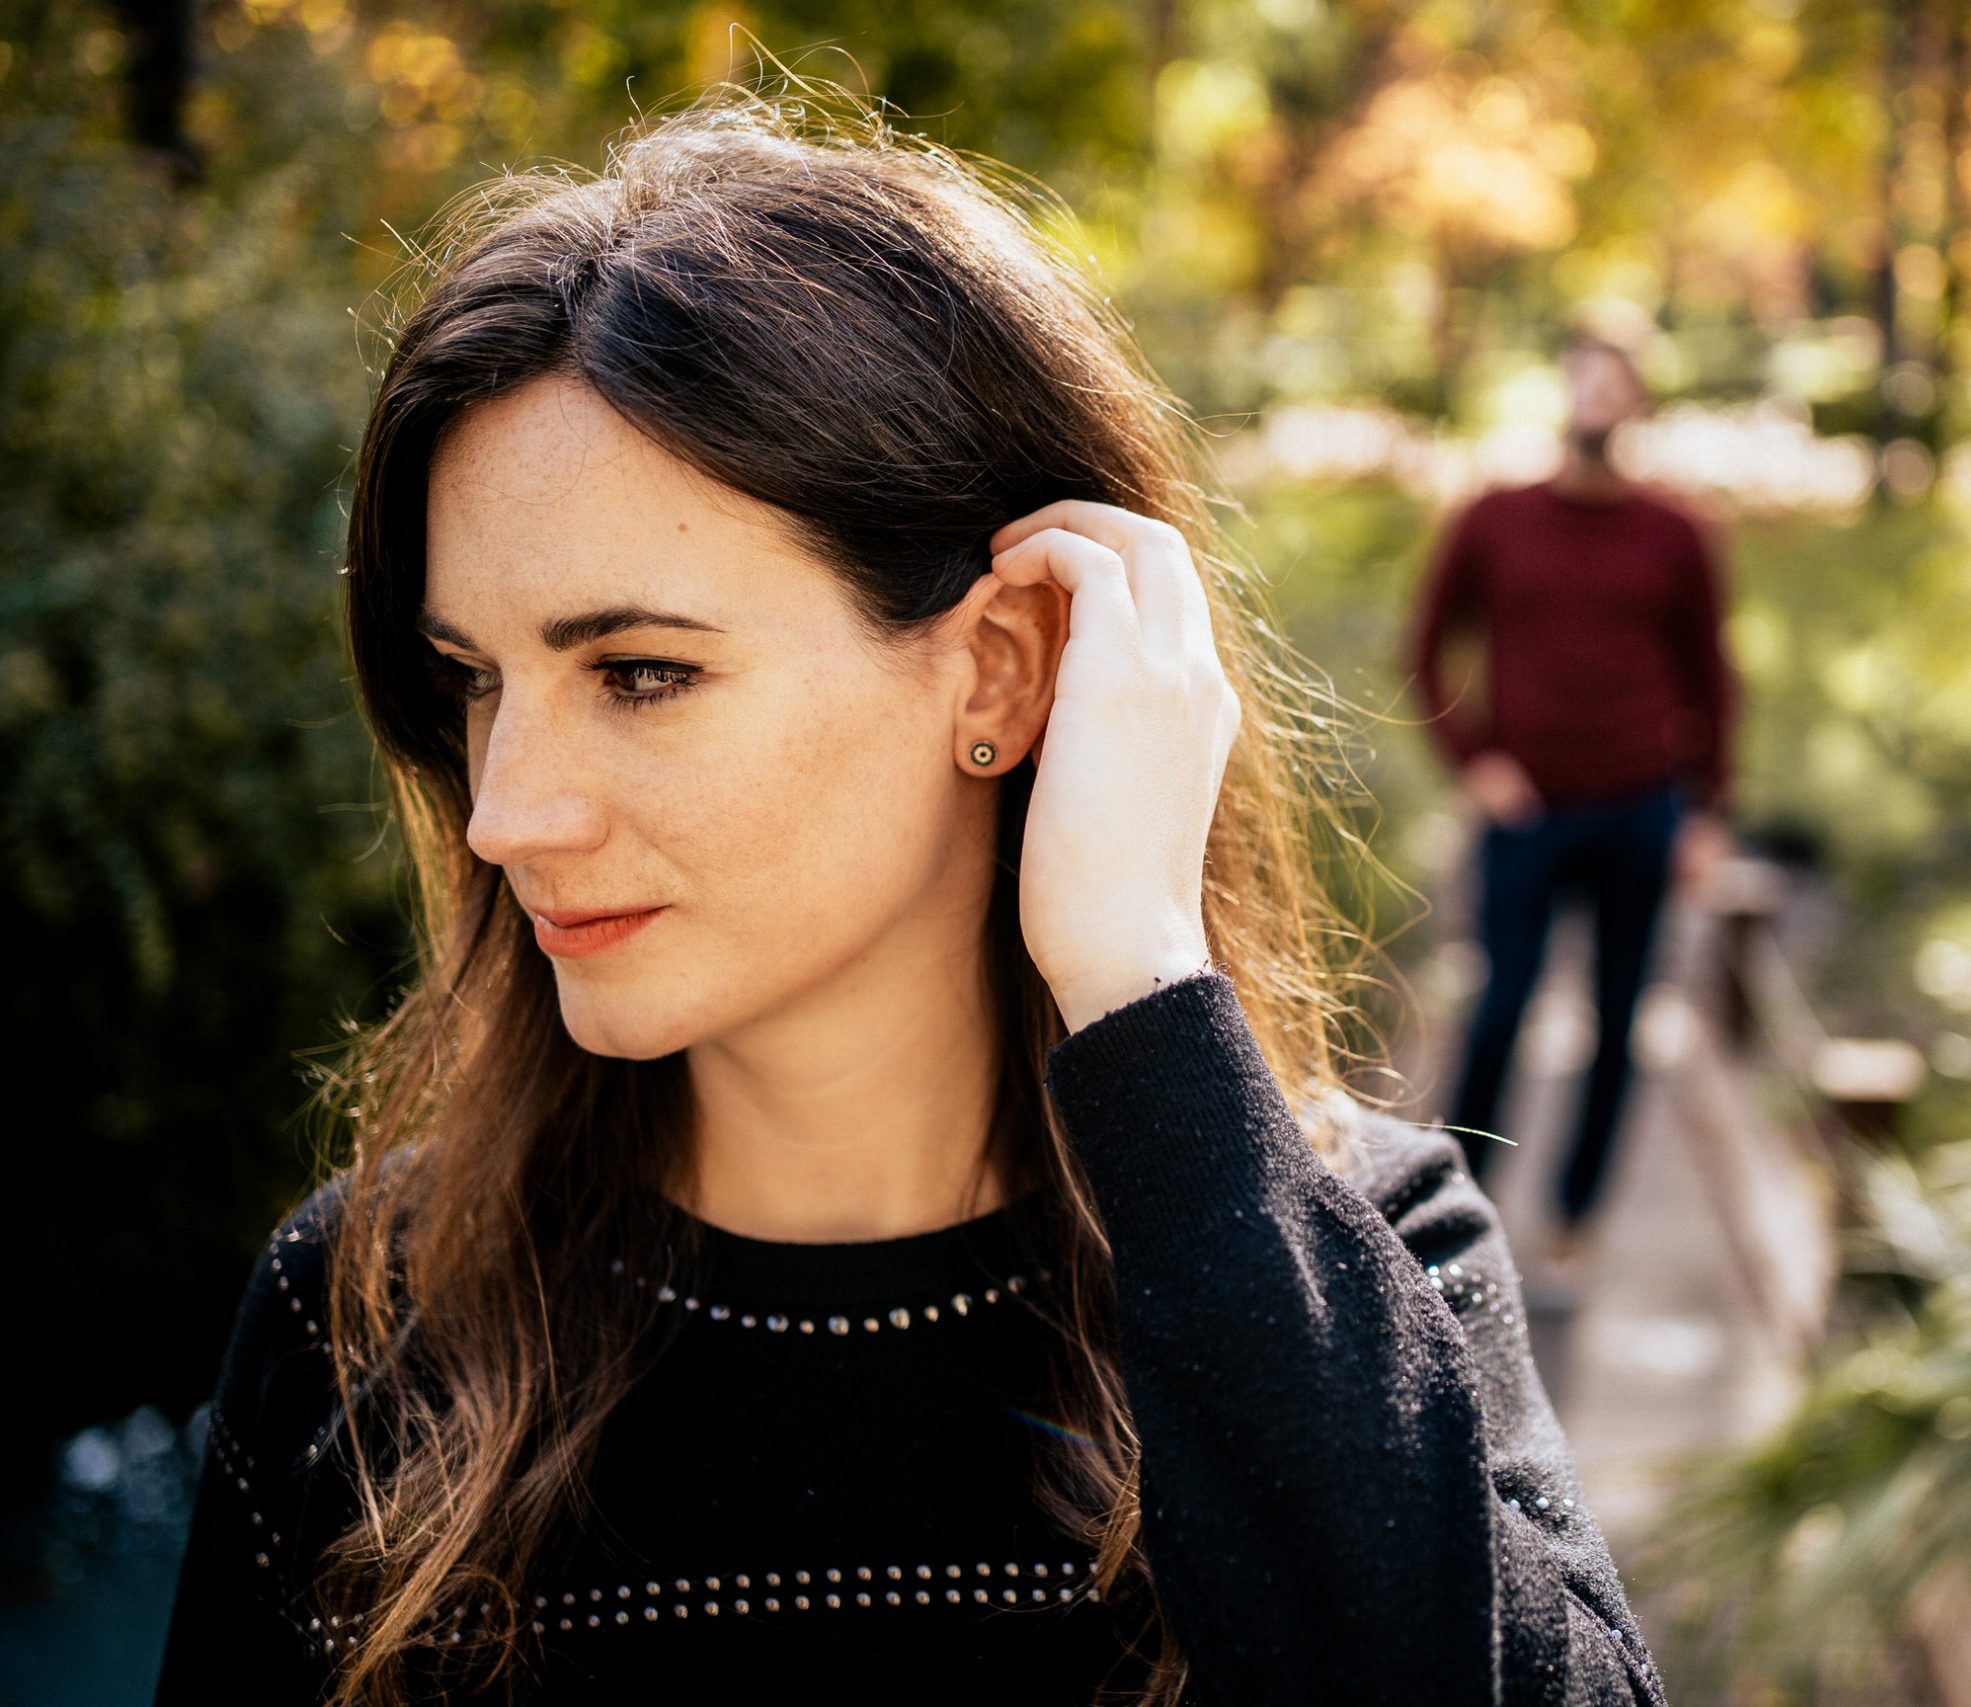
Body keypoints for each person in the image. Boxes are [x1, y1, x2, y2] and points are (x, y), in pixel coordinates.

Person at [154, 99, 1666, 1707]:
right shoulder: (366, 1310)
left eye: (641, 671)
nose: (507, 810)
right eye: (473, 680)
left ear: (1000, 667)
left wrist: (1144, 987)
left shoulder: (1357, 1262)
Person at [1408, 330, 1739, 1276]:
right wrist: (1473, 762)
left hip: (1642, 811)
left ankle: (1573, 1224)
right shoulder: (1493, 518)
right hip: (1528, 816)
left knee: (1618, 1021)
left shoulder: (1678, 534)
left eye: (1614, 376)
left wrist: (1708, 811)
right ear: (1558, 391)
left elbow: (1712, 677)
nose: (1595, 391)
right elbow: (1426, 652)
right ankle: (1449, 1218)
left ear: (1636, 400)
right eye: (1580, 373)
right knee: (1500, 1010)